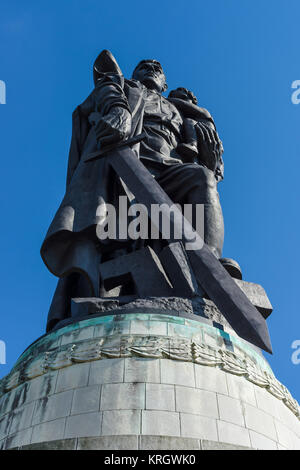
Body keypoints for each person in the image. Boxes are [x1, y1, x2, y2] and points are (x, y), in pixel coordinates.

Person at [41, 50, 225, 331]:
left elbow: (204, 161)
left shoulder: (181, 112)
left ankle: (207, 265)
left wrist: (210, 163)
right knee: (116, 229)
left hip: (168, 171)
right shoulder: (125, 87)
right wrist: (118, 111)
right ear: (135, 74)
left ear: (164, 83)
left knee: (202, 179)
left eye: (157, 68)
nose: (151, 68)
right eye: (144, 66)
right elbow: (104, 88)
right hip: (125, 167)